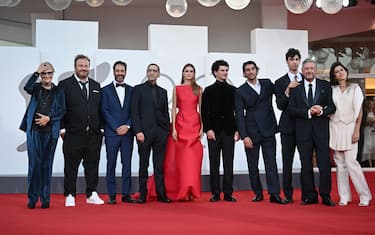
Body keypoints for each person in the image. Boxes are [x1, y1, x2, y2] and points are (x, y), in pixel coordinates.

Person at [235, 61, 286, 204]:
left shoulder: (267, 84)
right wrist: (244, 136)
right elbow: (239, 115)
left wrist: (289, 88)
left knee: (271, 163)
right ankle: (257, 193)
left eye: (252, 69)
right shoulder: (240, 91)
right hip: (251, 132)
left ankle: (274, 194)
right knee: (253, 165)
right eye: (247, 70)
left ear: (257, 70)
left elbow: (281, 94)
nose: (250, 71)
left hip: (268, 129)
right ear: (244, 73)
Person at [287, 58, 336, 206]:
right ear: (303, 71)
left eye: (311, 68)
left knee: (324, 164)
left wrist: (321, 110)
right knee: (306, 164)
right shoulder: (296, 88)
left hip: (321, 131)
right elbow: (291, 109)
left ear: (316, 70)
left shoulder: (325, 86)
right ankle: (309, 195)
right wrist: (308, 112)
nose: (309, 71)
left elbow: (332, 107)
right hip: (303, 132)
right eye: (306, 68)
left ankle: (326, 196)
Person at [59, 54, 104, 207]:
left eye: (86, 66)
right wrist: (62, 129)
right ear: (75, 67)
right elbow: (60, 108)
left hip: (93, 135)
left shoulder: (96, 86)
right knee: (71, 166)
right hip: (72, 134)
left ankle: (91, 193)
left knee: (92, 165)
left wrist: (101, 129)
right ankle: (70, 194)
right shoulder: (64, 85)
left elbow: (100, 109)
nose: (84, 69)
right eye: (81, 66)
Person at [20, 62, 65, 209]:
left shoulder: (59, 90)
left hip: (51, 133)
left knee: (47, 165)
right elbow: (27, 87)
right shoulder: (36, 88)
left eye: (49, 73)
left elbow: (62, 110)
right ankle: (32, 198)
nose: (46, 76)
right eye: (44, 73)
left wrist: (49, 118)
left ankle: (45, 198)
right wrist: (36, 72)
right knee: (34, 165)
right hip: (34, 131)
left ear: (53, 74)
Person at [329, 61, 372, 206]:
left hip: (350, 128)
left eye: (342, 70)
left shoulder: (355, 88)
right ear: (334, 76)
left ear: (346, 72)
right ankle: (344, 196)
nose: (340, 72)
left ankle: (365, 195)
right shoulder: (332, 89)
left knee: (351, 162)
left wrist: (356, 130)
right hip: (335, 127)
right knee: (340, 164)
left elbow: (359, 111)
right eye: (336, 71)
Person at [163, 63, 203, 201]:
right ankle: (182, 190)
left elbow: (201, 110)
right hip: (180, 124)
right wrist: (173, 127)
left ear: (194, 73)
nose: (189, 73)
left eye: (191, 71)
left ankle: (191, 190)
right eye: (186, 71)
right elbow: (173, 109)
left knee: (192, 161)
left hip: (194, 125)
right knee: (180, 161)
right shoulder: (177, 88)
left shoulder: (198, 89)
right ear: (183, 73)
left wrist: (202, 127)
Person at [131, 63, 171, 204]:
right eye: (150, 70)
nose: (152, 73)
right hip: (144, 133)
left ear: (158, 74)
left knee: (159, 166)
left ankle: (161, 194)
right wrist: (138, 131)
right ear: (146, 73)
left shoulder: (163, 92)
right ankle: (143, 195)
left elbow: (166, 113)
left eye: (155, 71)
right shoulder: (138, 90)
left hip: (160, 133)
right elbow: (134, 112)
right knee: (143, 165)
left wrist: (166, 131)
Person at [201, 59, 239, 202]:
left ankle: (228, 193)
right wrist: (208, 129)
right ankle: (215, 193)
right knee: (214, 163)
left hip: (229, 131)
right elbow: (204, 112)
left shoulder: (233, 90)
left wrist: (237, 130)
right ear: (215, 72)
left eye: (226, 70)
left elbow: (237, 112)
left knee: (229, 163)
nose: (225, 72)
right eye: (222, 70)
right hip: (214, 132)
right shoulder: (209, 91)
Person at [101, 61, 135, 204]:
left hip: (127, 133)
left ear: (125, 72)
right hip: (111, 133)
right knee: (111, 164)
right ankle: (112, 195)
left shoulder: (133, 90)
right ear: (114, 72)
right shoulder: (105, 90)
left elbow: (135, 111)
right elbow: (104, 111)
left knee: (127, 164)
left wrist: (127, 126)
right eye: (118, 70)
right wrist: (116, 127)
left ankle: (126, 194)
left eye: (122, 70)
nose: (120, 73)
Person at [274, 48, 303, 203]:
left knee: (306, 161)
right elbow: (280, 105)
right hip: (287, 127)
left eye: (297, 59)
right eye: (291, 59)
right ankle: (288, 195)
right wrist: (287, 89)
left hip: (305, 126)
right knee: (287, 162)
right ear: (287, 61)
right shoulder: (280, 82)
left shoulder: (307, 79)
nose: (294, 62)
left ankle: (308, 194)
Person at [362, 99, 375, 166]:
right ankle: (369, 164)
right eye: (370, 104)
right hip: (367, 130)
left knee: (373, 146)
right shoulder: (365, 112)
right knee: (368, 146)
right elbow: (363, 122)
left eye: (373, 104)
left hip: (373, 131)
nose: (372, 106)